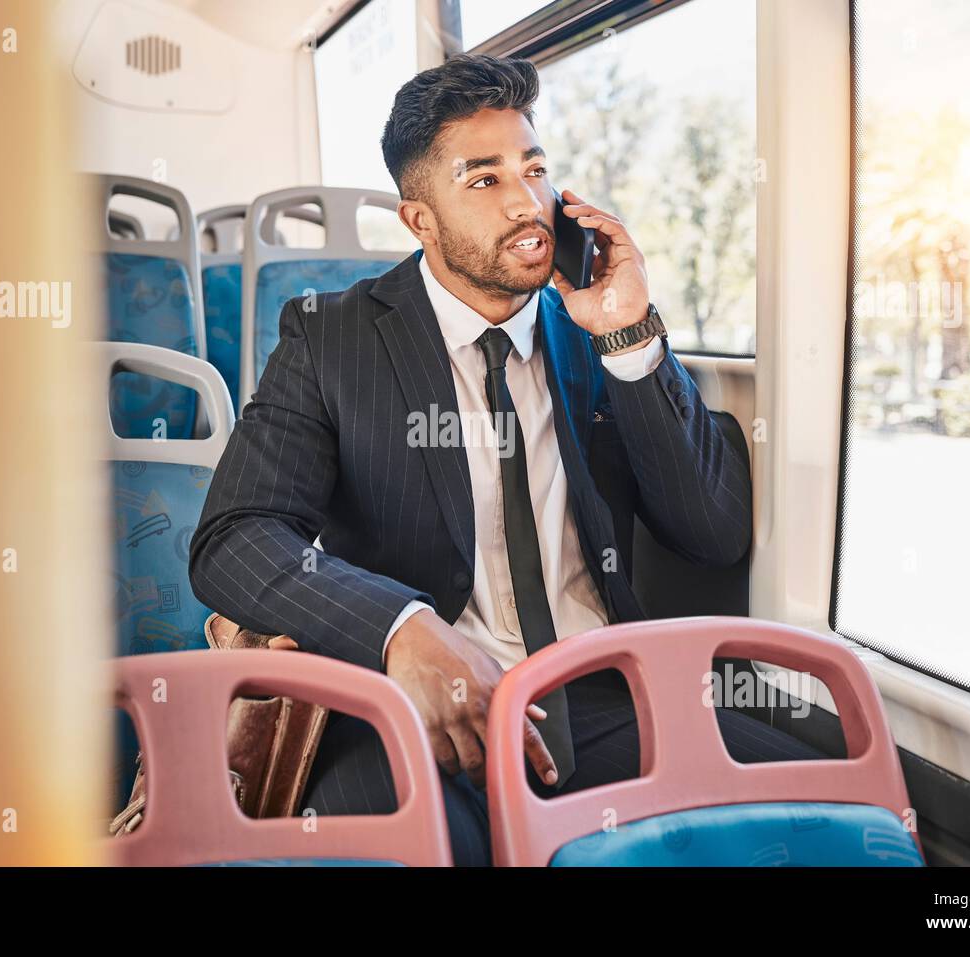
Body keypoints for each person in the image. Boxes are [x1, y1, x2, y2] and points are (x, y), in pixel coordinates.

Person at [189, 54, 819, 866]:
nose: (529, 202)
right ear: (420, 219)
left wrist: (626, 331)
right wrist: (401, 629)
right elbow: (235, 537)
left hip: (603, 694)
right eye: (483, 180)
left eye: (535, 169)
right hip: (414, 711)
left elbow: (713, 531)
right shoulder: (331, 338)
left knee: (814, 812)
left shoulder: (594, 333)